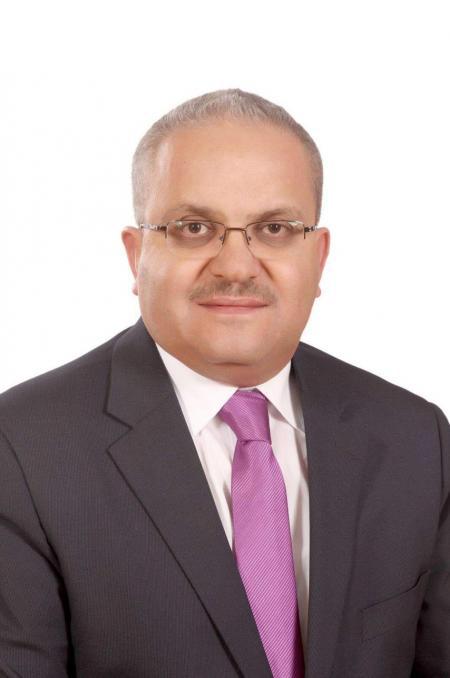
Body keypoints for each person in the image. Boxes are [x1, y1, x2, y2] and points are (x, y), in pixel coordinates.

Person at [0, 88, 448, 678]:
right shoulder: (23, 449)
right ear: (136, 256)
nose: (236, 266)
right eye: (193, 227)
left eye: (275, 228)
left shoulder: (416, 438)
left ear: (318, 257)